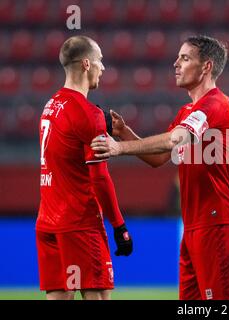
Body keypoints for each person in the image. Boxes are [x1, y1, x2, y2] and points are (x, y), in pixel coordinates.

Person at [91, 35, 229, 300]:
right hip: (193, 226)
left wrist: (119, 149)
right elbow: (160, 158)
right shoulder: (187, 111)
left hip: (216, 225)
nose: (176, 63)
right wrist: (124, 133)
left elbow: (177, 138)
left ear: (206, 66)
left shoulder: (216, 104)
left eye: (185, 58)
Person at [36, 36, 133, 300]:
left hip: (47, 222)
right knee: (99, 296)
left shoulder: (49, 106)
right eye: (101, 61)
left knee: (59, 296)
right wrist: (119, 226)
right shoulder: (88, 114)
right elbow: (100, 178)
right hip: (79, 223)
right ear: (87, 64)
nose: (104, 67)